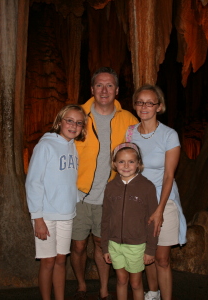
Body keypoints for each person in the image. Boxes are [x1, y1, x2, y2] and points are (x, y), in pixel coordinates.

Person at [71, 67, 138, 300]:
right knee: (78, 245)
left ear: (117, 91)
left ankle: (102, 288)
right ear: (92, 89)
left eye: (109, 85)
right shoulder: (78, 116)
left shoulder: (128, 119)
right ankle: (80, 284)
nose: (104, 90)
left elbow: (139, 153)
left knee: (101, 244)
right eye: (99, 85)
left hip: (109, 196)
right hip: (79, 194)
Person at [126, 84, 187, 300]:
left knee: (161, 257)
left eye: (149, 102)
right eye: (140, 102)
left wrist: (159, 209)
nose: (144, 106)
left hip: (164, 200)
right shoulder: (130, 133)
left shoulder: (169, 135)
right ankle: (153, 293)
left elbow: (169, 175)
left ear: (158, 106)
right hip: (138, 201)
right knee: (146, 254)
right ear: (135, 106)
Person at [25, 104, 87, 300]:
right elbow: (34, 182)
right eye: (69, 120)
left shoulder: (72, 147)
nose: (73, 126)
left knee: (61, 259)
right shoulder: (46, 146)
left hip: (66, 213)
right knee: (48, 261)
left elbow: (67, 181)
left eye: (78, 123)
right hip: (46, 214)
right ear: (59, 121)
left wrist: (81, 197)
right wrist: (38, 218)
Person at [101, 143, 159, 300]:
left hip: (137, 245)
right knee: (121, 280)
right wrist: (105, 246)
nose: (126, 166)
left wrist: (151, 249)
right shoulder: (110, 187)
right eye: (121, 161)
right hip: (114, 244)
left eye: (131, 161)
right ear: (114, 164)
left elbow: (153, 221)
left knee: (135, 283)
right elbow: (105, 218)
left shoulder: (147, 187)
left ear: (139, 163)